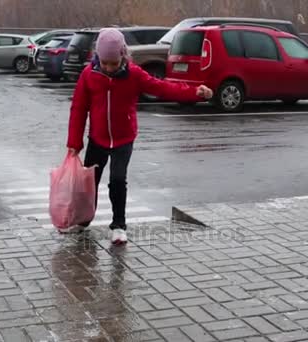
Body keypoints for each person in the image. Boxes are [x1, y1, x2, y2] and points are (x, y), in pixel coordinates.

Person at [66, 28, 213, 245]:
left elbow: (163, 88)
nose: (108, 68)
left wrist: (194, 93)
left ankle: (118, 226)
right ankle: (83, 220)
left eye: (113, 63)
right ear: (98, 57)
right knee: (89, 183)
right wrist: (74, 143)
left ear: (123, 56)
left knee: (117, 181)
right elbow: (78, 109)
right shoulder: (89, 75)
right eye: (104, 62)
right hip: (97, 138)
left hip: (123, 139)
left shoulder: (134, 74)